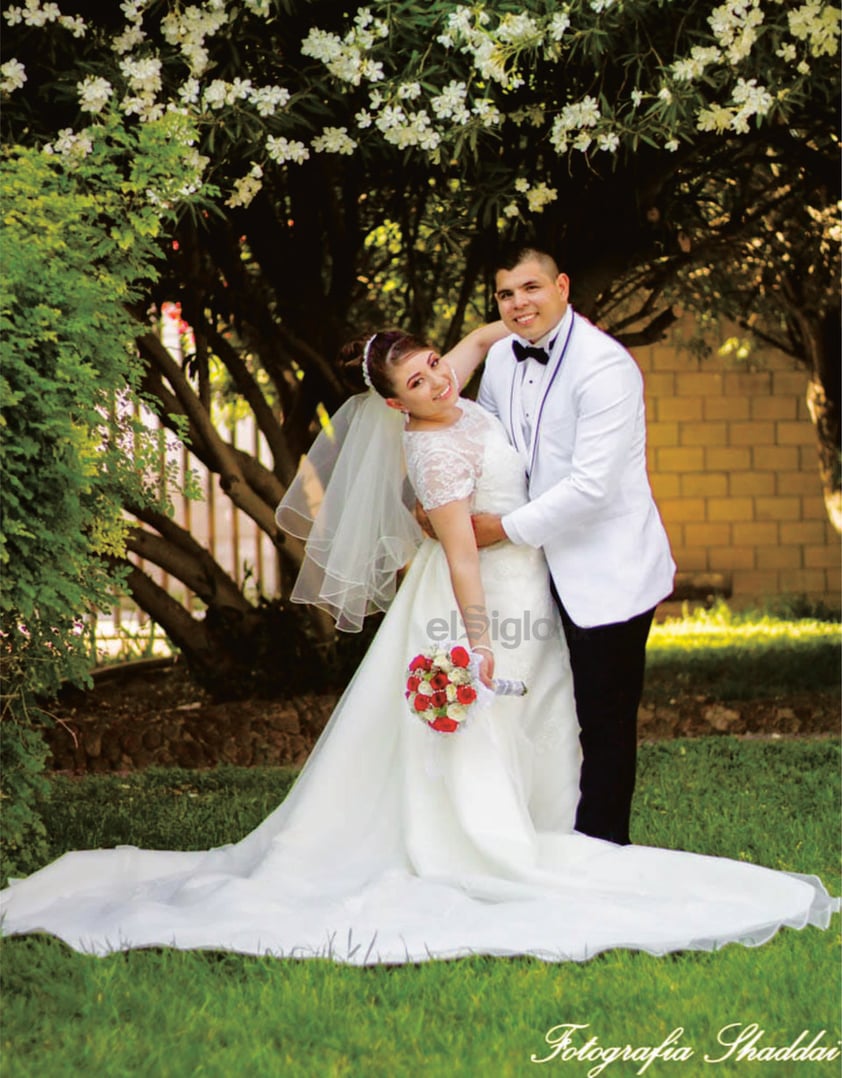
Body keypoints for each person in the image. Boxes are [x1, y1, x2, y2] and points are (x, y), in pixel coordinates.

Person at [0, 326, 836, 964]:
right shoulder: (434, 449)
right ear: (396, 404)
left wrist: (531, 321)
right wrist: (478, 645)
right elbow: (464, 557)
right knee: (490, 717)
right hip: (482, 602)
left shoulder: (453, 391)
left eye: (435, 362)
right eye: (417, 379)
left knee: (543, 719)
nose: (437, 376)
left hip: (533, 592)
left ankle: (544, 824)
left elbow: (473, 342)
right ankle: (482, 841)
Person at [473, 243, 676, 846]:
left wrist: (502, 530)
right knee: (540, 710)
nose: (518, 303)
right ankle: (540, 834)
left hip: (607, 569)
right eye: (506, 294)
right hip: (529, 570)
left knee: (605, 721)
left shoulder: (605, 367)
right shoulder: (505, 360)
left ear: (562, 286)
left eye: (530, 288)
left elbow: (591, 487)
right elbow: (490, 443)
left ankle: (604, 850)